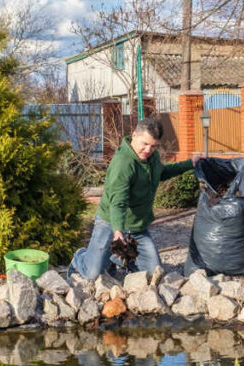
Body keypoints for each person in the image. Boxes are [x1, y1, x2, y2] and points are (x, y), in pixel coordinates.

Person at [70, 117, 199, 279]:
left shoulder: (152, 157)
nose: (148, 150)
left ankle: (118, 259)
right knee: (92, 274)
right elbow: (118, 202)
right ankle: (80, 257)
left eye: (153, 146)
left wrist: (190, 164)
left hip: (136, 228)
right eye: (144, 144)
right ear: (134, 135)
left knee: (154, 274)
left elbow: (161, 173)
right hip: (111, 223)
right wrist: (117, 231)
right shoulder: (123, 164)